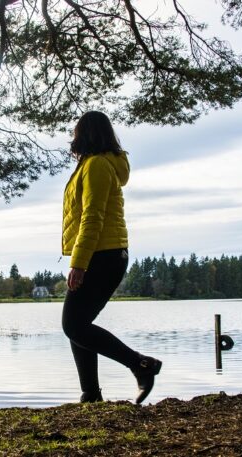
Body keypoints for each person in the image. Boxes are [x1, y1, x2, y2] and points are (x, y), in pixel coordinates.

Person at [61, 110, 162, 404]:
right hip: (104, 254)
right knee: (79, 324)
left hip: (101, 255)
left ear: (86, 134)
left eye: (76, 133)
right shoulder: (95, 165)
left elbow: (93, 217)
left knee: (74, 325)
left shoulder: (96, 165)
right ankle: (90, 395)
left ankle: (141, 364)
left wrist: (78, 264)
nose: (73, 139)